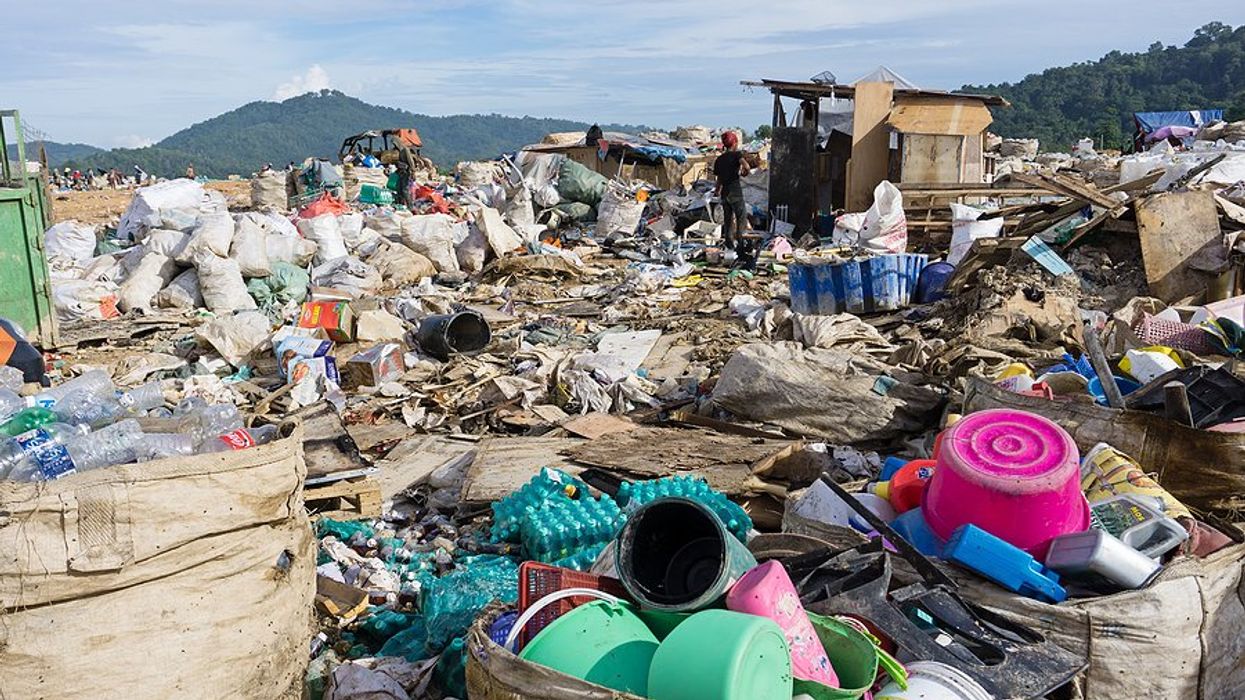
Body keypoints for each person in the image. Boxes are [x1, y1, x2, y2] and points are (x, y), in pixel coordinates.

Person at [713, 130, 750, 250]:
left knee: (728, 220)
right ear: (734, 143)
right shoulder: (737, 155)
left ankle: (729, 246)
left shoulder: (719, 160)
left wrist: (717, 191)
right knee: (741, 218)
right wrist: (745, 172)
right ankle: (741, 244)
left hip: (725, 194)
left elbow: (719, 179)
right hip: (735, 193)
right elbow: (746, 166)